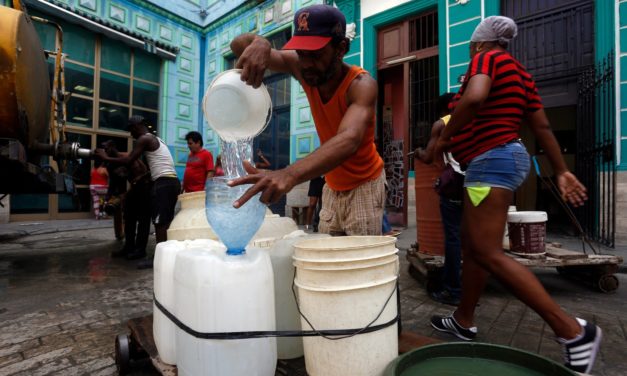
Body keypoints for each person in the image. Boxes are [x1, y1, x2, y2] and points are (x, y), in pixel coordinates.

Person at [429, 16, 599, 373]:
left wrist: (446, 136)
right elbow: (541, 126)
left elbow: (474, 99)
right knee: (475, 246)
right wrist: (562, 170)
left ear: (478, 44)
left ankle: (572, 331)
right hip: (502, 159)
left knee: (488, 252)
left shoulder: (486, 58)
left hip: (490, 162)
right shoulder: (522, 74)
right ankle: (463, 319)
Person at [229, 4, 385, 236]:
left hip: (364, 183)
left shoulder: (361, 85)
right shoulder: (302, 66)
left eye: (316, 54)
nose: (306, 63)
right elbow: (236, 45)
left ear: (341, 48)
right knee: (327, 260)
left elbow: (349, 139)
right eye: (301, 54)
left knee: (359, 263)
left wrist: (288, 174)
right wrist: (260, 42)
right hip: (332, 185)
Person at [95, 116, 180, 269]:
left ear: (136, 126)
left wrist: (105, 157)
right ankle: (162, 256)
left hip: (164, 182)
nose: (130, 134)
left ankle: (159, 260)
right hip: (168, 182)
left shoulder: (144, 139)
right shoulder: (155, 139)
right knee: (163, 222)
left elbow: (129, 161)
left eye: (130, 130)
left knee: (160, 222)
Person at [415, 92, 461, 306]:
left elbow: (429, 157)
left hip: (456, 184)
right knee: (472, 238)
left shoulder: (442, 123)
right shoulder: (473, 117)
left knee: (453, 238)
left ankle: (452, 289)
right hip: (481, 181)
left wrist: (418, 151)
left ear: (443, 109)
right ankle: (470, 287)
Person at [103, 140, 152, 260]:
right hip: (133, 189)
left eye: (106, 148)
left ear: (113, 148)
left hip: (144, 187)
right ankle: (129, 247)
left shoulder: (127, 157)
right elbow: (114, 183)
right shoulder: (110, 164)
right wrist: (109, 198)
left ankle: (140, 250)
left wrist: (128, 192)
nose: (105, 151)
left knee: (143, 221)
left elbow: (143, 175)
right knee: (129, 218)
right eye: (103, 149)